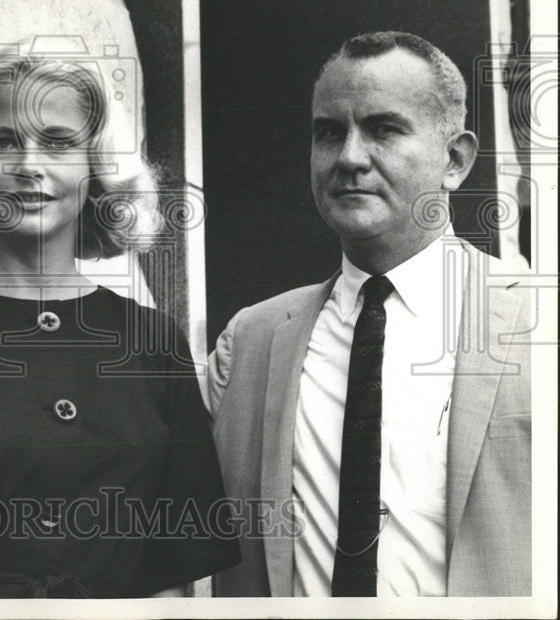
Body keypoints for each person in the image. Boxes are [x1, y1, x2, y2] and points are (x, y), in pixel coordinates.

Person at [0, 53, 239, 598]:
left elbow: (176, 573)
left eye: (58, 142)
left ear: (95, 165)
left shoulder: (154, 344)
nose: (29, 164)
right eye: (5, 141)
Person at [207, 31, 531, 597]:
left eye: (384, 129)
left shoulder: (539, 321)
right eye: (329, 133)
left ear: (454, 159)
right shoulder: (251, 343)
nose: (350, 157)